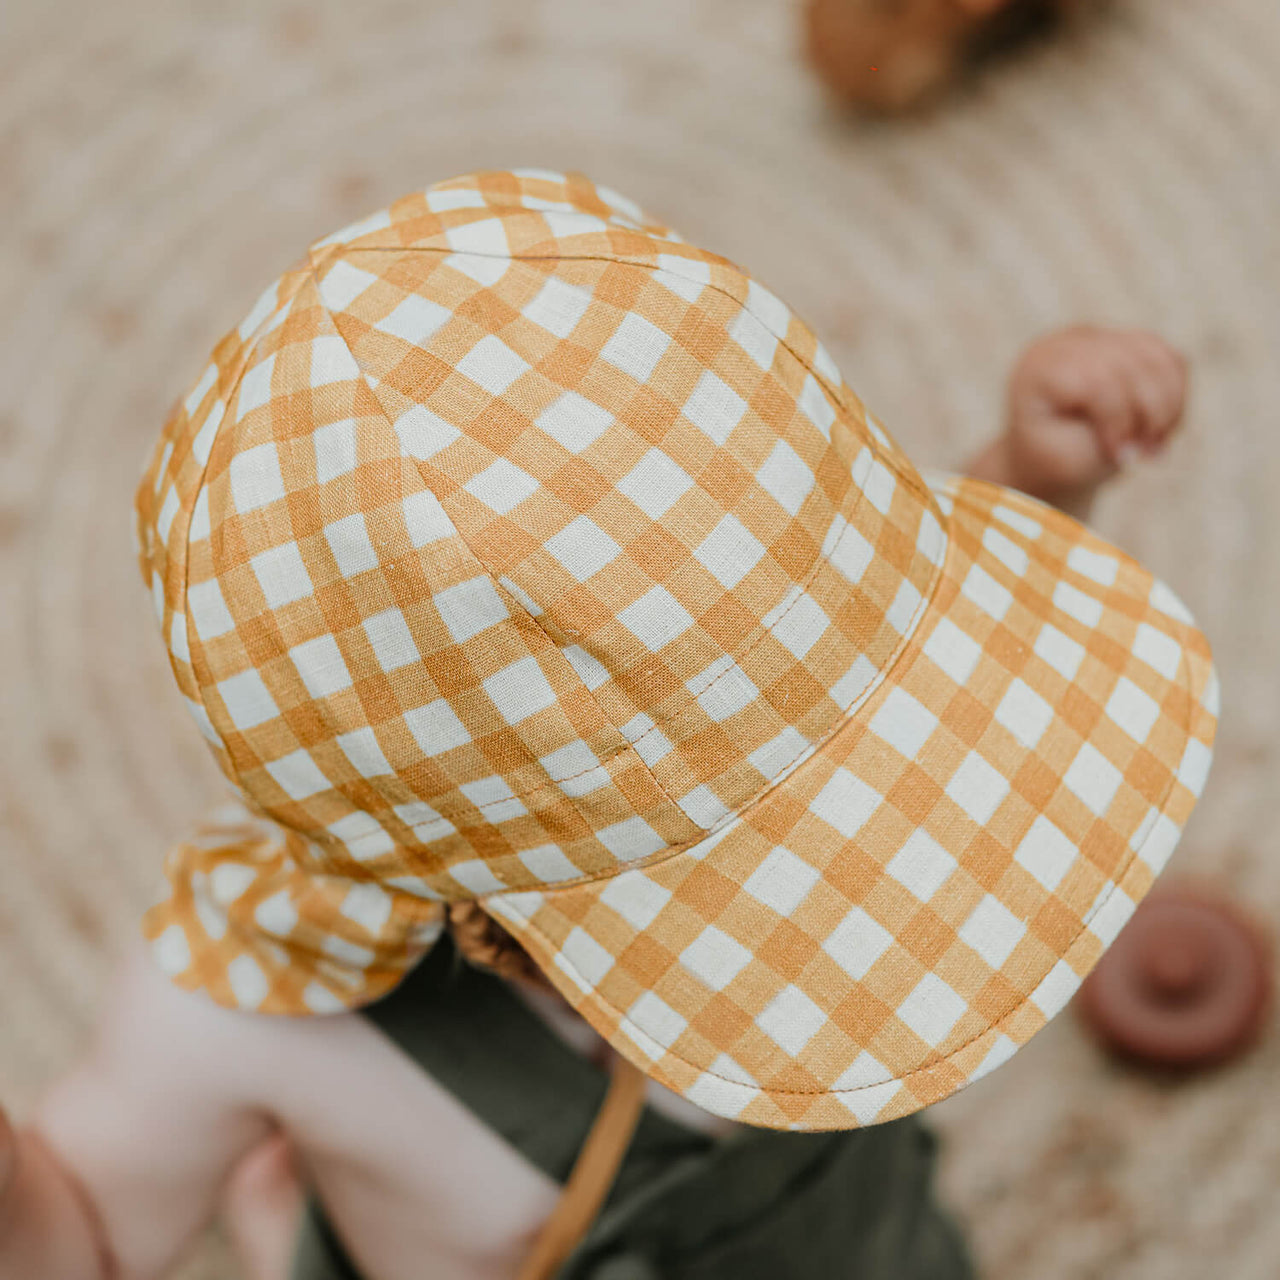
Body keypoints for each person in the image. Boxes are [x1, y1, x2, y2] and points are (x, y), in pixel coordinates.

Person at [0, 169, 1215, 1280]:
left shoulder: (803, 686)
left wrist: (1032, 473)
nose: (854, 847)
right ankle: (285, 1227)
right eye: (744, 860)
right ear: (492, 917)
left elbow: (865, 662)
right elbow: (82, 1234)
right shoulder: (250, 1000)